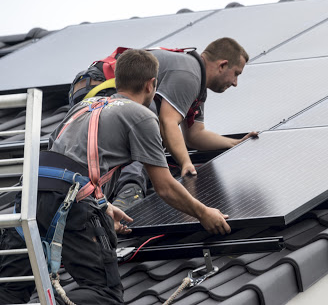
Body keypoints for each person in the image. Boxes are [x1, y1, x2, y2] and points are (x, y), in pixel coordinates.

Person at [0, 49, 231, 304]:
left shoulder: (81, 107)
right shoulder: (142, 116)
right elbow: (164, 186)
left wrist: (104, 205)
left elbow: (63, 165)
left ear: (117, 81)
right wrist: (204, 213)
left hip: (29, 192)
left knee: (10, 290)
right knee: (105, 293)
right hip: (66, 200)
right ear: (151, 84)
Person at [111, 38, 258, 210]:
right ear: (222, 65)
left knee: (153, 124)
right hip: (107, 91)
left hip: (107, 97)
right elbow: (168, 122)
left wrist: (236, 143)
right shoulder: (190, 74)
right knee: (149, 123)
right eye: (236, 74)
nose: (235, 83)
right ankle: (129, 191)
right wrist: (185, 163)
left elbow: (195, 136)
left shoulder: (198, 83)